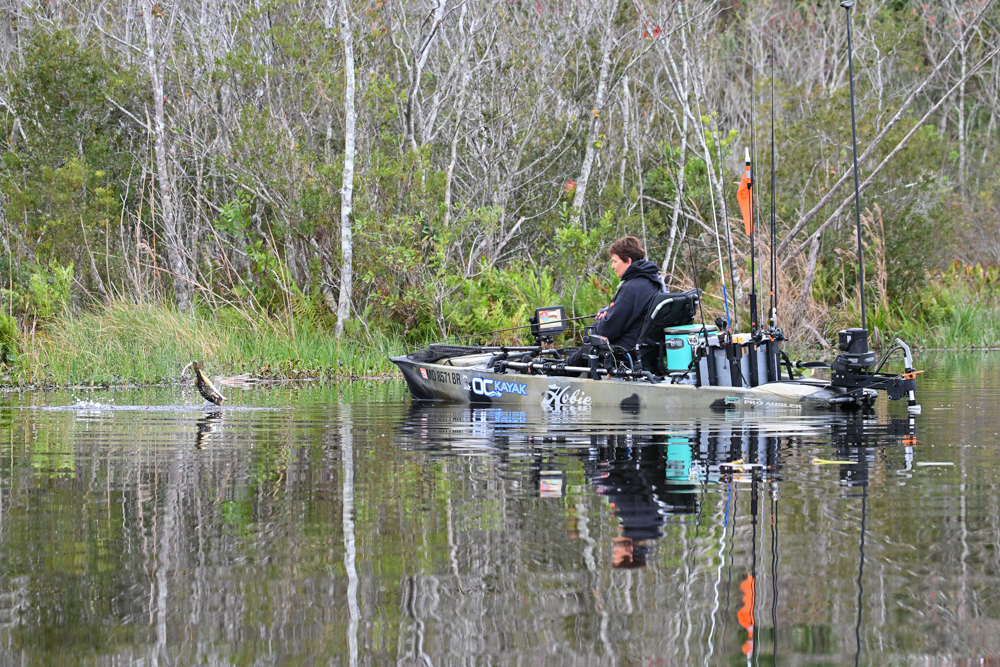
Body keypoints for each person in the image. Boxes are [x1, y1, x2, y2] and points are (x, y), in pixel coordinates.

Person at [567, 236, 665, 367]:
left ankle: (555, 373)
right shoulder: (654, 281)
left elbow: (606, 330)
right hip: (648, 351)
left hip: (627, 352)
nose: (612, 266)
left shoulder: (632, 288)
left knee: (586, 350)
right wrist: (609, 312)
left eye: (615, 261)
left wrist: (597, 325)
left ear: (628, 261)